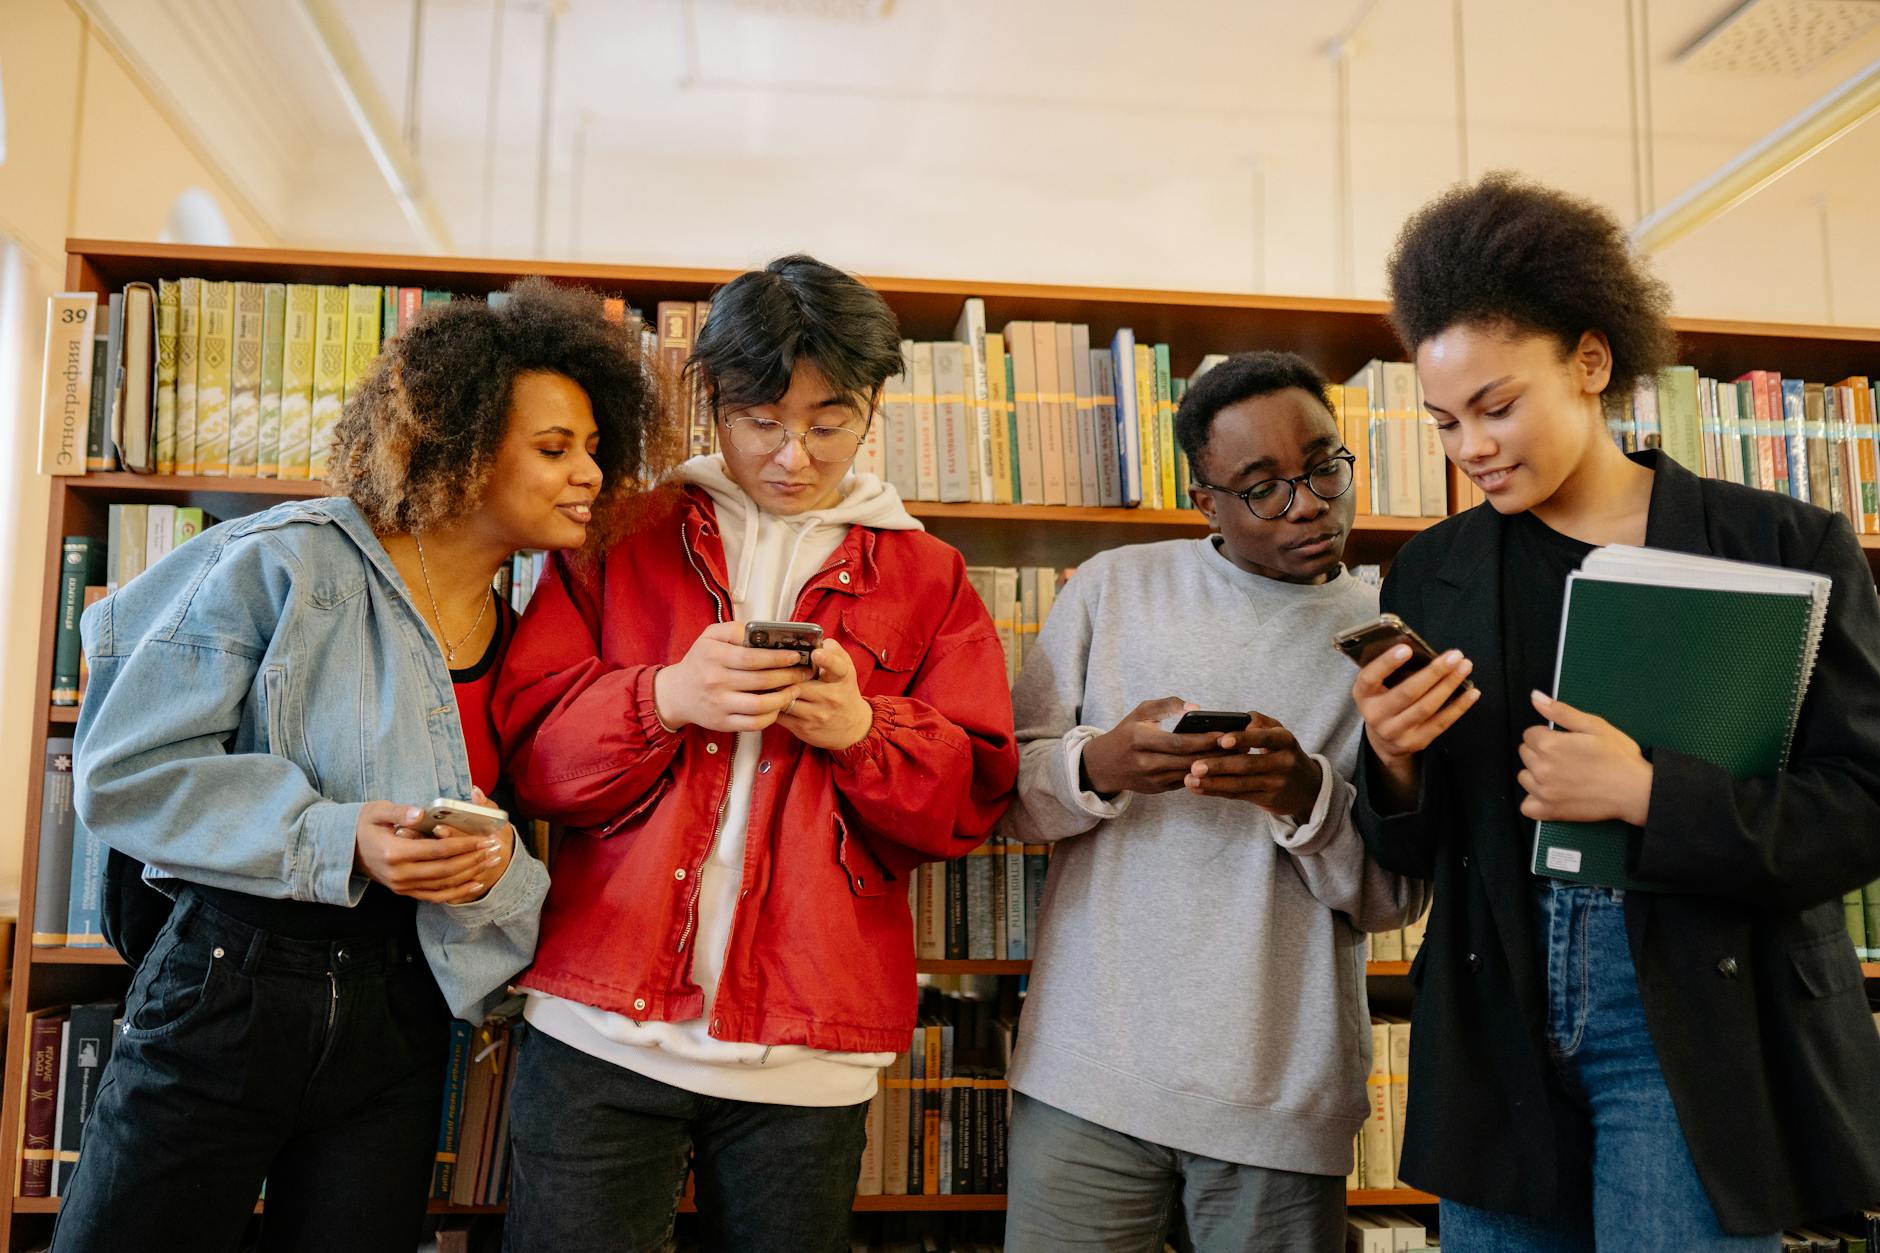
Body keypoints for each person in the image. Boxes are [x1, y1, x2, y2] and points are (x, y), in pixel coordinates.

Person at [56, 278, 669, 1253]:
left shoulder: (529, 641)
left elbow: (509, 848)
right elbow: (127, 769)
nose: (589, 473)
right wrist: (341, 837)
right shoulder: (280, 561)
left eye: (595, 447)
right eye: (554, 447)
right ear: (461, 442)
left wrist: (487, 866)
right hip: (229, 984)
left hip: (402, 1009)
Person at [1351, 173, 1880, 1250]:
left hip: (1694, 1014)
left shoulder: (1781, 544)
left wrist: (1648, 793)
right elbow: (1412, 842)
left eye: (1496, 406)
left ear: (1590, 363)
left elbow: (1862, 802)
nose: (1470, 448)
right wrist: (1391, 759)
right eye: (1443, 420)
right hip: (1491, 1016)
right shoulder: (1431, 569)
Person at [493, 254, 1019, 1252]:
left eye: (828, 421)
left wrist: (865, 732)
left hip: (807, 1050)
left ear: (871, 410)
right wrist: (667, 696)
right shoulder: (620, 535)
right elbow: (531, 755)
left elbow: (970, 799)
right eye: (761, 419)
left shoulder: (928, 574)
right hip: (598, 1027)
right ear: (711, 405)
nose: (793, 453)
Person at [1001, 350, 1429, 1253]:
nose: (1308, 502)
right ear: (1207, 502)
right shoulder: (1114, 587)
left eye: (1324, 466)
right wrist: (1101, 764)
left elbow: (1395, 899)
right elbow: (1006, 799)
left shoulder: (1389, 640)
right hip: (1088, 1074)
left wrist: (1305, 793)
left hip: (1279, 1099)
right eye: (1262, 486)